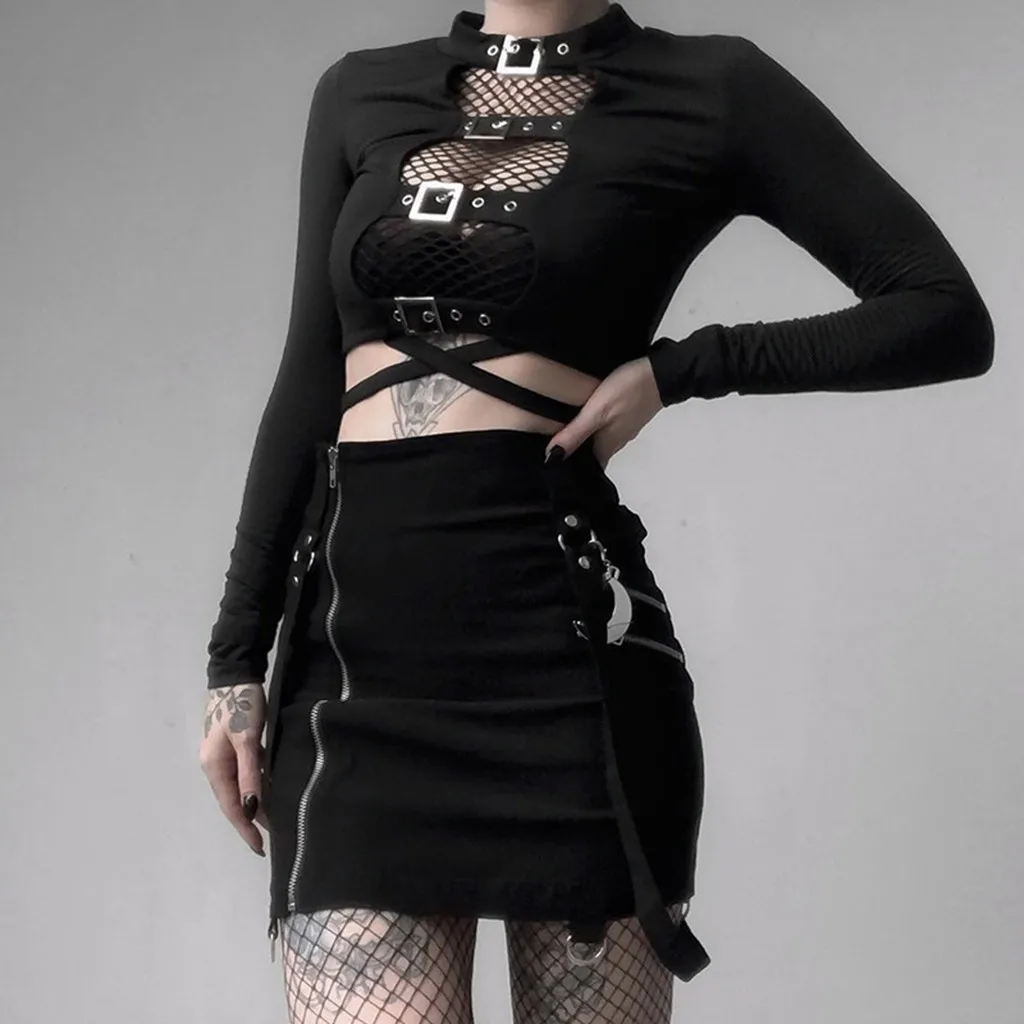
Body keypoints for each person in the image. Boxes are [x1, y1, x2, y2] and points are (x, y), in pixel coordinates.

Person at [198, 1, 994, 1020]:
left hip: (567, 661)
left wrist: (680, 370)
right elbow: (309, 383)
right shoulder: (361, 90)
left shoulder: (711, 88)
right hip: (352, 671)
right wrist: (235, 662)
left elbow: (941, 313)